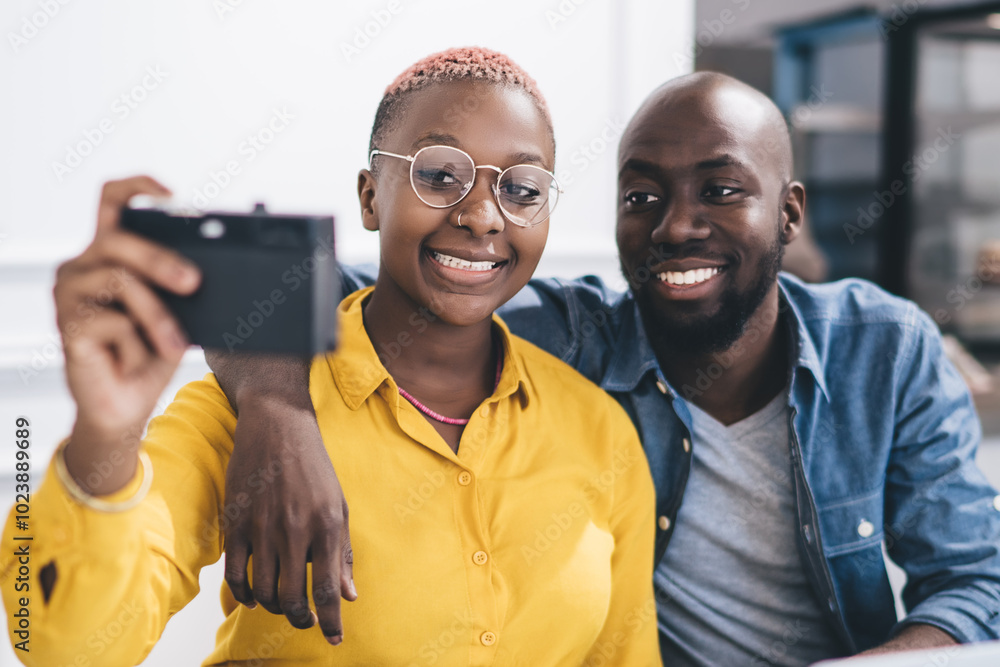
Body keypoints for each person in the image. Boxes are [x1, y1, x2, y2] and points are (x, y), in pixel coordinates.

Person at [210, 72, 1000, 666]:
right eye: (642, 196)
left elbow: (976, 586)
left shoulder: (885, 349)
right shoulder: (570, 338)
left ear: (788, 213)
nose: (677, 224)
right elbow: (254, 273)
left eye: (721, 191)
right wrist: (278, 413)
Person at [0, 48, 660, 666]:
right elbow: (61, 644)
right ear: (371, 196)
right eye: (439, 174)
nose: (484, 215)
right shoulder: (241, 410)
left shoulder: (599, 430)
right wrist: (105, 437)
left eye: (521, 189)